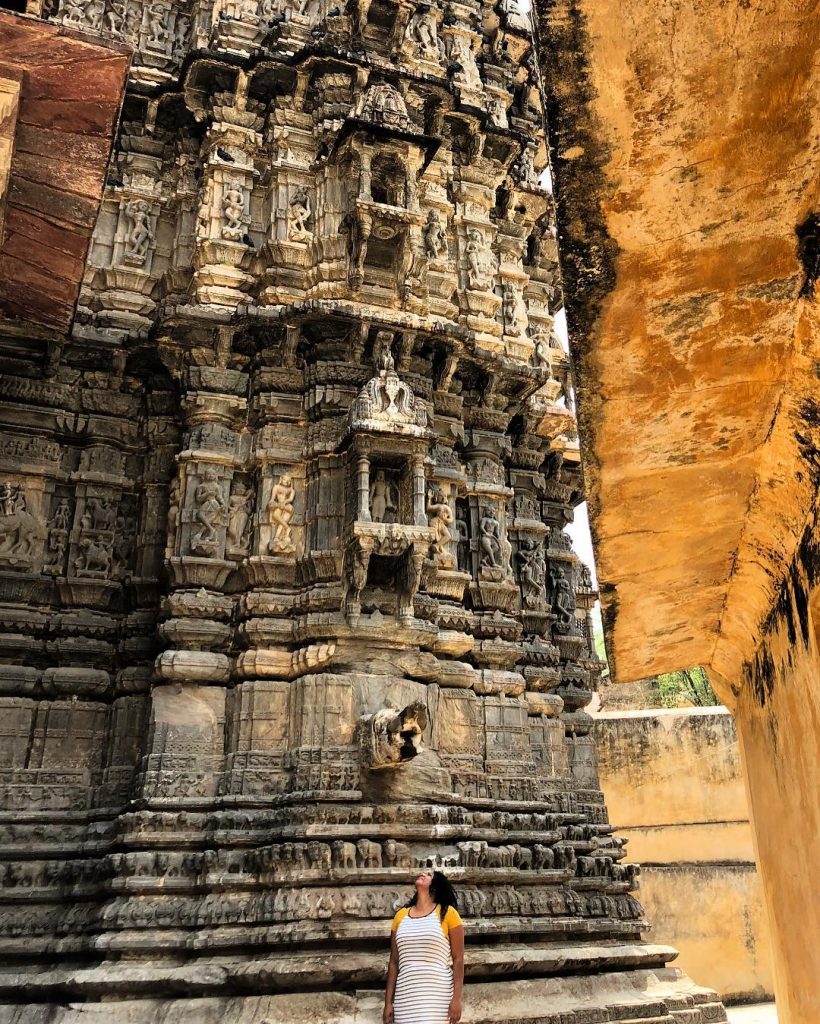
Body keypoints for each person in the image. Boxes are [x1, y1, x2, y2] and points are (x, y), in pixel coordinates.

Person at [384, 869, 465, 1024]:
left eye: (429, 875)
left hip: (436, 996)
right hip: (405, 996)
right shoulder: (400, 916)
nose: (423, 873)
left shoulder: (448, 913)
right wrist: (388, 1003)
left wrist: (456, 999)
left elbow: (458, 959)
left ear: (435, 886)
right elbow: (394, 962)